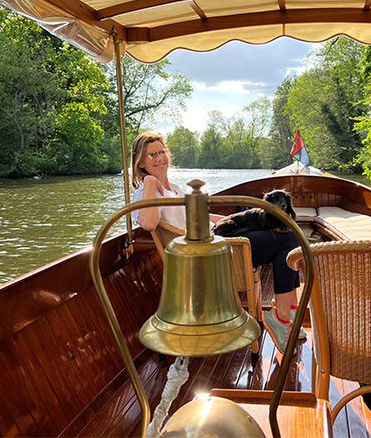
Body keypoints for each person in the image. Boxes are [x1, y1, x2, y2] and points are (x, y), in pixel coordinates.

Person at [130, 131, 304, 354]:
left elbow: (200, 217)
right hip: (205, 257)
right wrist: (150, 184)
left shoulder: (176, 189)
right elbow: (149, 224)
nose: (160, 158)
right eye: (151, 155)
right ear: (141, 163)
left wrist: (230, 220)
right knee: (286, 239)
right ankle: (283, 315)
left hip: (214, 241)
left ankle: (285, 314)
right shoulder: (145, 193)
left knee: (285, 238)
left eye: (162, 152)